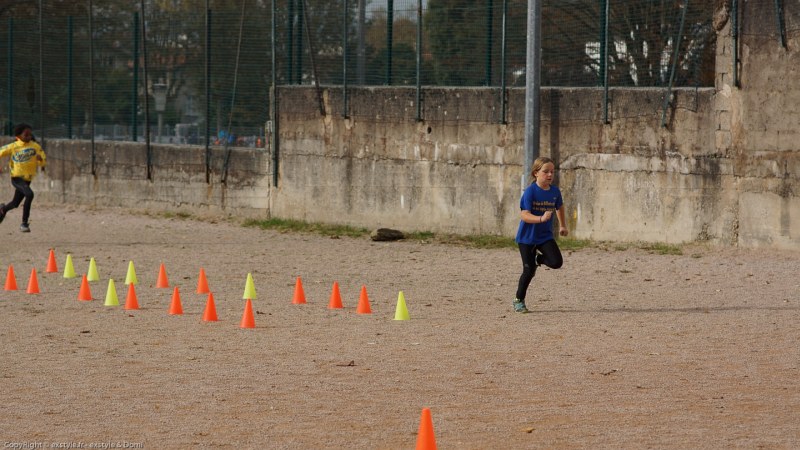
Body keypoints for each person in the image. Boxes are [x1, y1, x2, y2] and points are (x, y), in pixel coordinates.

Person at [513, 156, 569, 313]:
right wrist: (540, 218)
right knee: (528, 271)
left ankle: (538, 258)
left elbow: (560, 207)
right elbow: (524, 215)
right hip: (527, 238)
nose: (550, 175)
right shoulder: (530, 192)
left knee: (556, 262)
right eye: (546, 172)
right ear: (536, 173)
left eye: (552, 172)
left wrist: (563, 225)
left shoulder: (555, 192)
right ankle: (519, 300)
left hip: (544, 236)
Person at [0, 123, 47, 232]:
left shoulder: (35, 146)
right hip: (17, 178)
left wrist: (41, 160)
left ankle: (3, 210)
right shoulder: (13, 146)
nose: (28, 137)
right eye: (26, 135)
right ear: (18, 135)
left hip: (27, 179)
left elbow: (43, 161)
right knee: (30, 194)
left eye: (30, 135)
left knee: (15, 203)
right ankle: (24, 223)